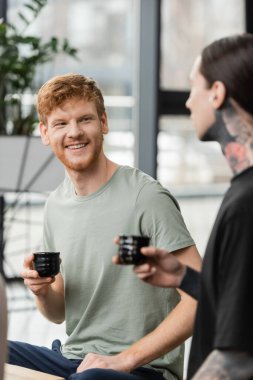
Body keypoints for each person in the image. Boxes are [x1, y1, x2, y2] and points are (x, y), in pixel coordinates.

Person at [7, 73, 202, 380]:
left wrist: (124, 360)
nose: (74, 132)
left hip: (142, 369)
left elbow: (200, 299)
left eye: (85, 119)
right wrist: (42, 292)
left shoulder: (146, 196)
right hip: (75, 359)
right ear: (45, 133)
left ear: (104, 123)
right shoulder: (55, 204)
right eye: (61, 123)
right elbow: (57, 313)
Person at [126, 33, 253, 379]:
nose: (187, 103)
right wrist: (184, 277)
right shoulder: (243, 192)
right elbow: (240, 306)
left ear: (217, 92)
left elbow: (237, 360)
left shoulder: (246, 202)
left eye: (193, 87)